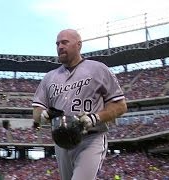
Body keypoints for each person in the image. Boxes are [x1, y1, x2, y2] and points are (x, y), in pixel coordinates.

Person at [32, 29, 127, 180]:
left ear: (78, 45)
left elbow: (120, 105)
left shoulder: (98, 69)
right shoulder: (49, 77)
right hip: (61, 142)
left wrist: (95, 117)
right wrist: (43, 115)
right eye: (57, 44)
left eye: (65, 42)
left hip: (91, 138)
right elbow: (36, 111)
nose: (60, 46)